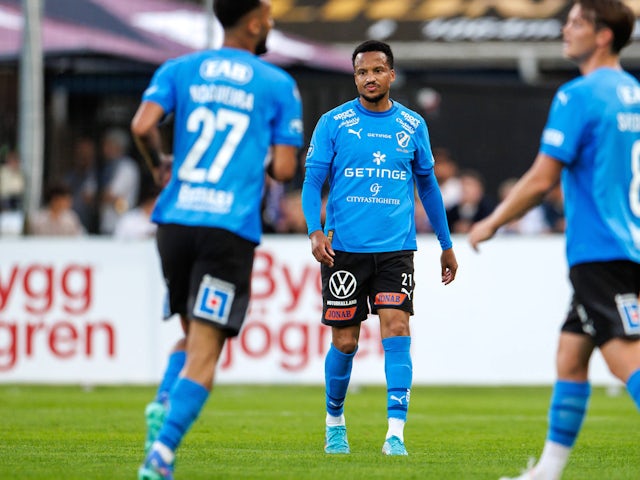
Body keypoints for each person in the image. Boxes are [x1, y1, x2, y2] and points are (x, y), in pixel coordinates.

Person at [130, 0, 303, 478]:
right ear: (252, 21)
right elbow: (285, 169)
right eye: (267, 15)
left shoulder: (180, 68)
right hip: (226, 229)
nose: (270, 22)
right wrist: (259, 158)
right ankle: (160, 455)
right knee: (206, 352)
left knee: (188, 336)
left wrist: (161, 166)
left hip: (175, 223)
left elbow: (142, 126)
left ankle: (164, 402)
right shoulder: (277, 85)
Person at [468, 2, 640, 479]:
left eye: (577, 22)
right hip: (630, 243)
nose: (566, 29)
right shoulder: (635, 92)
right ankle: (548, 471)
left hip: (600, 250)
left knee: (627, 357)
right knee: (571, 355)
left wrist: (493, 221)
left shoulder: (579, 95)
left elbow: (543, 179)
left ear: (603, 35)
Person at [301, 40, 458, 457]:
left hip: (395, 250)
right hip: (343, 251)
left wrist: (445, 243)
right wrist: (314, 230)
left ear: (391, 74)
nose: (369, 78)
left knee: (397, 328)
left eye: (376, 70)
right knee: (346, 342)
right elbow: (313, 181)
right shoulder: (333, 123)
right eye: (361, 72)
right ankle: (335, 423)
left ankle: (395, 434)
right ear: (355, 77)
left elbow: (428, 185)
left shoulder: (412, 125)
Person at [98, 128, 141, 235]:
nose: (104, 149)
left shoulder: (127, 167)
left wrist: (97, 196)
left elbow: (111, 195)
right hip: (106, 222)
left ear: (118, 146)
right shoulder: (107, 166)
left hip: (121, 223)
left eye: (108, 145)